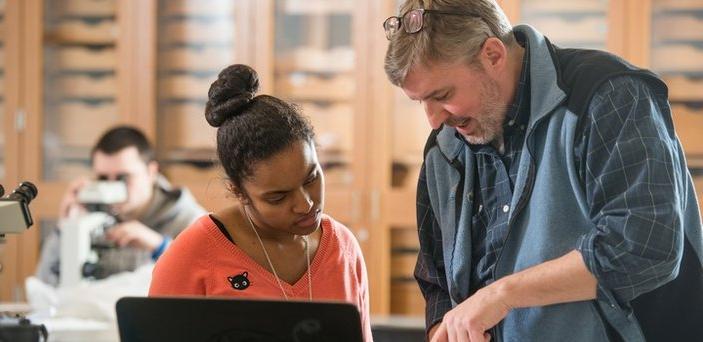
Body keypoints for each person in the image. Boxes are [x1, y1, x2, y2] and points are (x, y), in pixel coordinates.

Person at [383, 1, 703, 341]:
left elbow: (644, 247)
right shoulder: (444, 147)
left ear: (492, 55)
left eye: (443, 95)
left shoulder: (607, 95)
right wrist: (443, 331)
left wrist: (501, 295)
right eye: (420, 101)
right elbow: (437, 278)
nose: (433, 120)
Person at [148, 64, 372, 341]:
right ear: (238, 191)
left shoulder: (342, 247)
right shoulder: (192, 255)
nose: (305, 204)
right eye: (278, 197)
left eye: (311, 178)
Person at [36, 126, 206, 286]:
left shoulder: (189, 220)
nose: (112, 187)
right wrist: (65, 230)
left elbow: (207, 282)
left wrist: (159, 247)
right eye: (103, 179)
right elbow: (44, 285)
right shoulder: (91, 216)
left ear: (151, 172)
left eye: (123, 178)